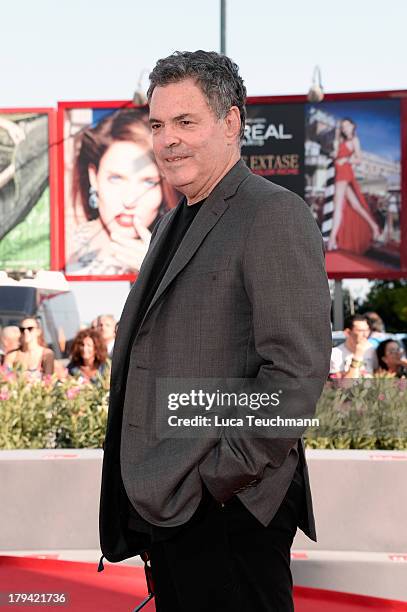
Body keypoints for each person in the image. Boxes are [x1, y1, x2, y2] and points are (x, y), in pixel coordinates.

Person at [99, 50, 331, 612]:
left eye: (186, 122)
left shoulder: (271, 213)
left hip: (229, 516)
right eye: (158, 124)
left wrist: (213, 482)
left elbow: (296, 376)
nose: (168, 139)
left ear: (231, 123)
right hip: (175, 513)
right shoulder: (173, 220)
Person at [66, 108, 178, 275]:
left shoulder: (183, 254)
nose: (130, 200)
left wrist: (155, 274)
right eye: (116, 179)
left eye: (148, 182)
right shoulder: (63, 248)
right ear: (94, 178)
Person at [327, 118, 380, 253]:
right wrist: (337, 134)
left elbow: (359, 158)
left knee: (337, 205)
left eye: (346, 126)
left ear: (353, 126)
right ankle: (374, 227)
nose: (344, 128)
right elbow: (334, 152)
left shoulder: (354, 140)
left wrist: (347, 159)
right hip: (340, 173)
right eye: (342, 126)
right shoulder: (342, 141)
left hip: (344, 173)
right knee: (355, 205)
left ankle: (332, 240)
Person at [330, 314, 377, 379]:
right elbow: (342, 386)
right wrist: (357, 356)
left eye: (367, 330)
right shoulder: (334, 354)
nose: (365, 334)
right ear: (347, 332)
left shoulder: (371, 350)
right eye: (361, 331)